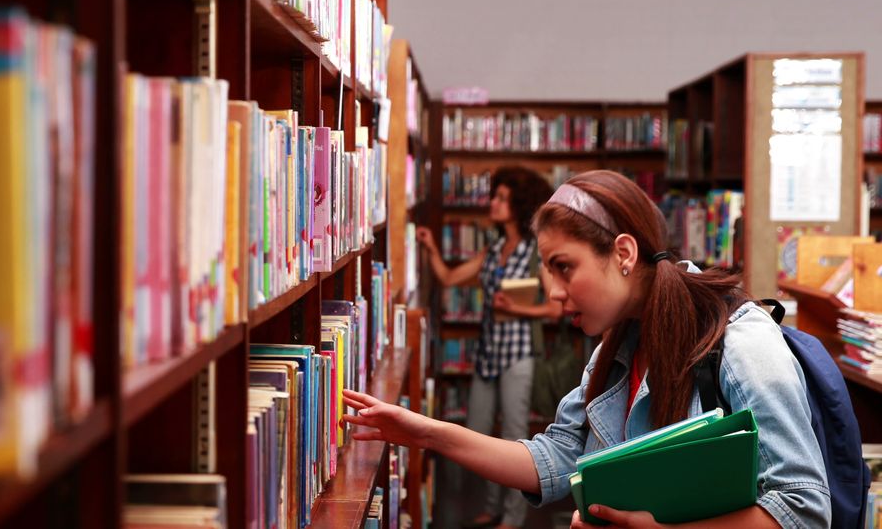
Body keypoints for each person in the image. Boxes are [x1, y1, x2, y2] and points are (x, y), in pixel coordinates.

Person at [345, 170, 830, 528]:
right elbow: (557, 458)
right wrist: (427, 433)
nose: (553, 292)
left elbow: (804, 507)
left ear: (623, 253)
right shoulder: (617, 346)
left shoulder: (741, 342)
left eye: (564, 267)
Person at [415, 166, 560, 529]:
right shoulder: (493, 249)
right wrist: (431, 248)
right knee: (478, 430)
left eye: (501, 198)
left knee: (515, 437)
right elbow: (449, 278)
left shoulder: (534, 252)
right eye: (494, 196)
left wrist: (518, 308)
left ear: (518, 206)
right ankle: (491, 506)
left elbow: (556, 309)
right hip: (487, 355)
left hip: (519, 355)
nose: (492, 203)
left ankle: (511, 517)